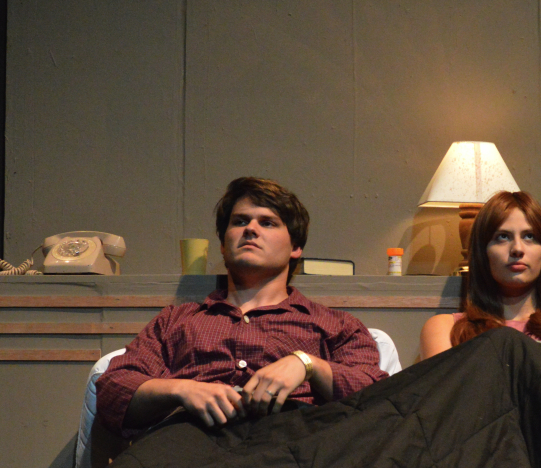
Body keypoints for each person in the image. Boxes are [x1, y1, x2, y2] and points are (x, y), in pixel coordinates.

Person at [96, 177, 387, 436]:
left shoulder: (337, 325)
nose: (250, 229)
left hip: (293, 448)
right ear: (223, 245)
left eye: (267, 222)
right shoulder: (175, 320)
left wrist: (307, 365)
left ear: (296, 247)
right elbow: (112, 390)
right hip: (190, 447)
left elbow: (379, 399)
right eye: (239, 221)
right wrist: (181, 389)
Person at [419, 191, 541, 395]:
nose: (517, 249)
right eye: (502, 237)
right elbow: (445, 404)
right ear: (482, 252)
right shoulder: (445, 329)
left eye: (529, 236)